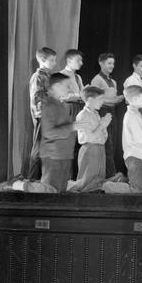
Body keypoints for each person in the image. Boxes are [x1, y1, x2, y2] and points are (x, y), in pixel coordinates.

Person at [40, 73, 86, 192]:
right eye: (66, 86)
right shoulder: (48, 105)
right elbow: (48, 132)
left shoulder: (63, 105)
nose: (69, 89)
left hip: (64, 155)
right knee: (50, 192)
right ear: (55, 86)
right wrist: (72, 127)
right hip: (53, 156)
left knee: (60, 193)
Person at [67, 86, 112, 193]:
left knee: (98, 181)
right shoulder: (82, 115)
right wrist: (102, 125)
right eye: (100, 99)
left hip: (100, 149)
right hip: (90, 150)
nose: (103, 102)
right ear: (90, 100)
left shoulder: (96, 114)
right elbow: (89, 137)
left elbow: (103, 137)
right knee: (86, 181)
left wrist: (104, 126)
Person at [110, 85, 142, 194]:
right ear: (134, 99)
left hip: (141, 155)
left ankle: (119, 179)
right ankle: (107, 186)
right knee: (136, 190)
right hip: (136, 155)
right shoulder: (131, 116)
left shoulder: (136, 114)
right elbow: (139, 139)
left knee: (140, 188)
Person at [90, 53, 124, 178]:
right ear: (101, 63)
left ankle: (109, 175)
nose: (112, 66)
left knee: (112, 145)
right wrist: (114, 101)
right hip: (102, 113)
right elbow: (94, 99)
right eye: (109, 63)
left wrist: (118, 99)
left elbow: (112, 99)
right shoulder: (97, 79)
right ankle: (109, 175)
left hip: (112, 114)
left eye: (113, 63)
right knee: (106, 145)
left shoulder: (113, 81)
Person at [27, 46, 57, 180]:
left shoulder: (49, 76)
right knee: (38, 150)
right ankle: (32, 179)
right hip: (43, 116)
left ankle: (41, 180)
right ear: (43, 60)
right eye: (52, 60)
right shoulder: (38, 76)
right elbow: (37, 97)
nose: (54, 63)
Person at [59, 49, 85, 119]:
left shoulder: (78, 77)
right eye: (78, 60)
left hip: (78, 109)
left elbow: (83, 93)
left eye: (81, 60)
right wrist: (79, 95)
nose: (81, 63)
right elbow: (63, 96)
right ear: (69, 61)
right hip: (66, 111)